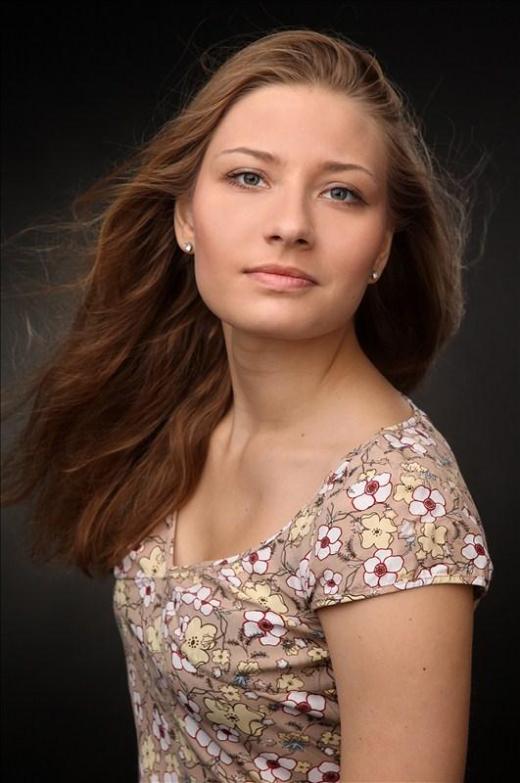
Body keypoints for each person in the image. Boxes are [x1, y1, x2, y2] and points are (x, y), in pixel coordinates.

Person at [1, 28, 494, 783]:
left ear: (383, 247)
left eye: (341, 192)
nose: (290, 225)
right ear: (185, 217)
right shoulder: (191, 407)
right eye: (249, 177)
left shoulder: (394, 506)